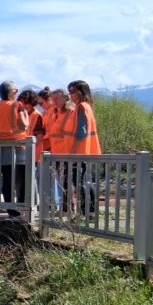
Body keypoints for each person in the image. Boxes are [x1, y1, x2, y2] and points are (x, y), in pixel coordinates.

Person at [61, 79, 102, 219]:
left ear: (81, 92)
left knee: (80, 182)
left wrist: (72, 151)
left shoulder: (82, 107)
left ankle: (87, 212)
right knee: (84, 182)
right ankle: (89, 212)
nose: (70, 94)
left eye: (73, 91)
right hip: (83, 151)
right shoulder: (84, 106)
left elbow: (81, 132)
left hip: (79, 152)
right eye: (69, 91)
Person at [0, 80, 29, 210]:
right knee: (22, 179)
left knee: (7, 179)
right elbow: (24, 125)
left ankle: (10, 207)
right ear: (11, 92)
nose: (17, 93)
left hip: (1, 146)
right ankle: (21, 206)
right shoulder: (17, 105)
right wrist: (27, 118)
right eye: (16, 91)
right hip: (18, 146)